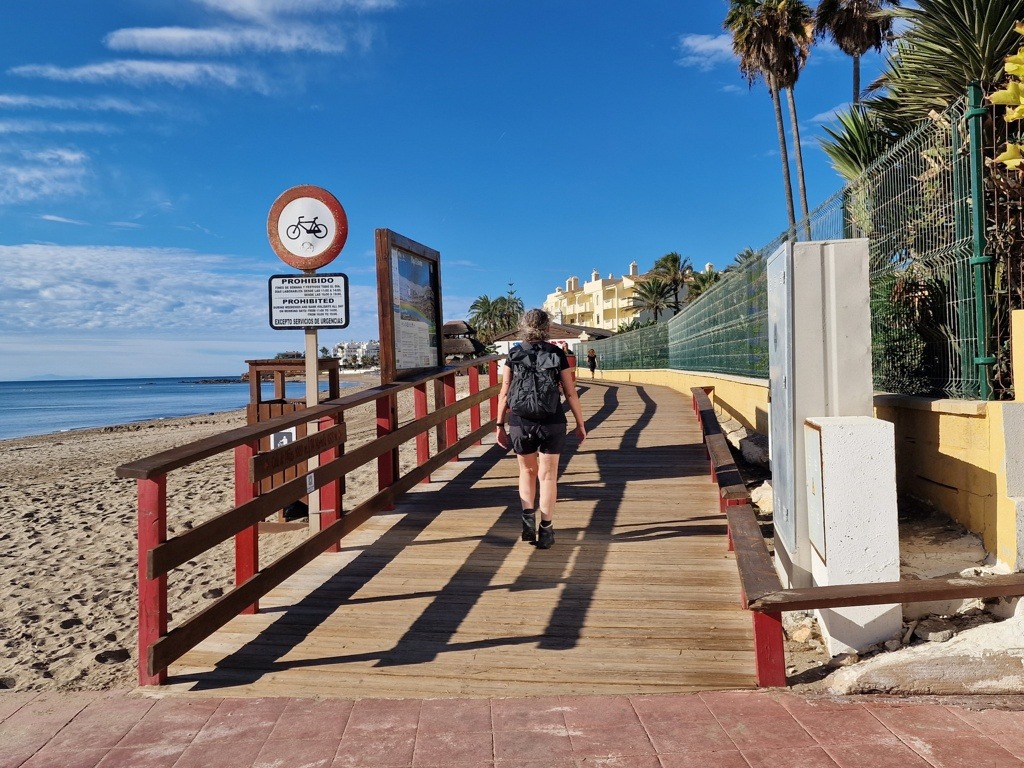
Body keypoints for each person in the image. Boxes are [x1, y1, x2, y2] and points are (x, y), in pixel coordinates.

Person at [495, 309, 586, 549]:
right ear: (547, 327)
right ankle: (546, 529)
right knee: (548, 476)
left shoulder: (514, 353)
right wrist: (580, 423)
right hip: (552, 420)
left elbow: (504, 391)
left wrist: (498, 424)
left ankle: (527, 518)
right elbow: (569, 392)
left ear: (523, 326)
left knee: (527, 472)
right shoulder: (556, 353)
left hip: (521, 421)